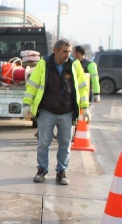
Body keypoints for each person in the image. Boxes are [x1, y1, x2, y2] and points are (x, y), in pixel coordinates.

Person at [22, 39, 90, 186]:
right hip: (47, 111)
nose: (68, 54)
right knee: (43, 143)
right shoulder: (44, 63)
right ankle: (42, 170)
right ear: (56, 50)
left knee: (65, 143)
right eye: (65, 51)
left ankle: (61, 172)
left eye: (69, 51)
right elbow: (32, 85)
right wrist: (27, 104)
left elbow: (83, 87)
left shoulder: (74, 65)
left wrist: (85, 107)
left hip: (67, 112)